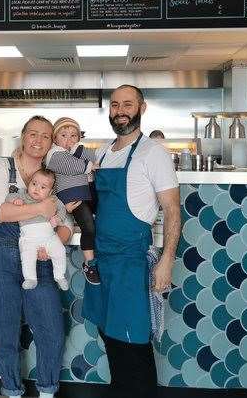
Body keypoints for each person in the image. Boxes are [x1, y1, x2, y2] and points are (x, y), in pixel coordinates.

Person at [82, 85, 181, 398]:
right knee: (109, 336)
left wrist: (166, 261)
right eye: (114, 105)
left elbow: (173, 210)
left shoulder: (153, 153)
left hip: (130, 263)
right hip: (101, 261)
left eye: (127, 104)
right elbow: (97, 205)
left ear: (142, 108)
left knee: (133, 343)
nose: (120, 110)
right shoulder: (102, 152)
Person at [0, 116, 73, 398]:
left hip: (39, 258)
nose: (38, 140)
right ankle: (11, 389)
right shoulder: (2, 167)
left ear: (50, 142)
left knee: (51, 331)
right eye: (33, 133)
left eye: (45, 136)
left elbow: (66, 222)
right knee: (5, 332)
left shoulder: (54, 175)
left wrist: (55, 241)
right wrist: (41, 209)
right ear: (23, 135)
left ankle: (46, 391)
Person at [45, 117, 100, 285]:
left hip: (87, 192)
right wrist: (90, 165)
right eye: (63, 135)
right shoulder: (54, 154)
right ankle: (89, 264)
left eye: (73, 136)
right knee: (88, 227)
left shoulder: (74, 151)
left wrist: (80, 150)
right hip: (72, 196)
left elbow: (96, 156)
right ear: (55, 138)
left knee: (101, 222)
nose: (68, 140)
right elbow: (71, 166)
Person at [6, 168, 70, 291]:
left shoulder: (53, 200)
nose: (36, 189)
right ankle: (30, 279)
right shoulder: (23, 195)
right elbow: (9, 196)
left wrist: (57, 219)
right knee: (27, 255)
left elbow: (62, 209)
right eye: (34, 184)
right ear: (29, 183)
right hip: (29, 238)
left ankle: (59, 276)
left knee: (60, 251)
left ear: (50, 191)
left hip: (49, 237)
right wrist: (15, 200)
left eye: (43, 187)